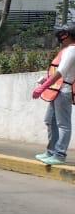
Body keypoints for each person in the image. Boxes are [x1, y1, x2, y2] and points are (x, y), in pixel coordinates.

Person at [37, 25, 75, 165]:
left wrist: (42, 87)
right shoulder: (67, 50)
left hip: (63, 91)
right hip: (56, 90)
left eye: (61, 34)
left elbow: (61, 72)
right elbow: (56, 71)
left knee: (63, 125)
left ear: (67, 35)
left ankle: (59, 154)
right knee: (50, 120)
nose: (59, 37)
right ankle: (51, 151)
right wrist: (45, 81)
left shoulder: (72, 50)